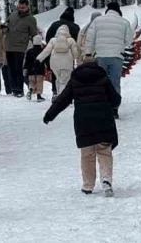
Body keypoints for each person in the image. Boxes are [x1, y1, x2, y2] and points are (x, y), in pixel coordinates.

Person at [42, 55, 121, 197]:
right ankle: (106, 180)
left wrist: (49, 115)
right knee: (104, 151)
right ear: (97, 65)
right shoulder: (103, 77)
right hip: (104, 120)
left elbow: (62, 100)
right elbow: (115, 100)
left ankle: (88, 185)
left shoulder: (75, 79)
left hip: (83, 122)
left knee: (87, 154)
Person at [85, 2, 134, 115]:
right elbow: (129, 41)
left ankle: (102, 106)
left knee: (100, 81)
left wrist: (88, 53)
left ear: (107, 10)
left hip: (101, 56)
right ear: (118, 10)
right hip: (117, 56)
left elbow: (90, 38)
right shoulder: (124, 22)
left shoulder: (97, 21)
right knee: (115, 82)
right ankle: (114, 108)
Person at [3, 0, 38, 97]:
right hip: (9, 45)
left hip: (20, 47)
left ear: (27, 7)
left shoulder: (31, 19)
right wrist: (4, 27)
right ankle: (14, 88)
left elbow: (34, 34)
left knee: (19, 69)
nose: (21, 9)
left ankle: (20, 89)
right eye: (20, 6)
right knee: (11, 68)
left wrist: (36, 46)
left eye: (23, 7)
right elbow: (7, 23)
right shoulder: (13, 15)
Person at [37, 25, 79, 97]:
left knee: (58, 80)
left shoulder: (53, 40)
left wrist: (38, 59)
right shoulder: (71, 40)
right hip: (67, 64)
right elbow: (75, 54)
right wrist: (76, 59)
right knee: (64, 81)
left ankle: (58, 95)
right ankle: (62, 97)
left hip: (55, 65)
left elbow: (46, 51)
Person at [24, 34, 47, 102]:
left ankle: (31, 89)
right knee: (39, 83)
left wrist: (25, 68)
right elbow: (45, 60)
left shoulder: (29, 51)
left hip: (30, 70)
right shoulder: (42, 51)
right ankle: (39, 96)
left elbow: (27, 61)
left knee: (31, 82)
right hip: (40, 70)